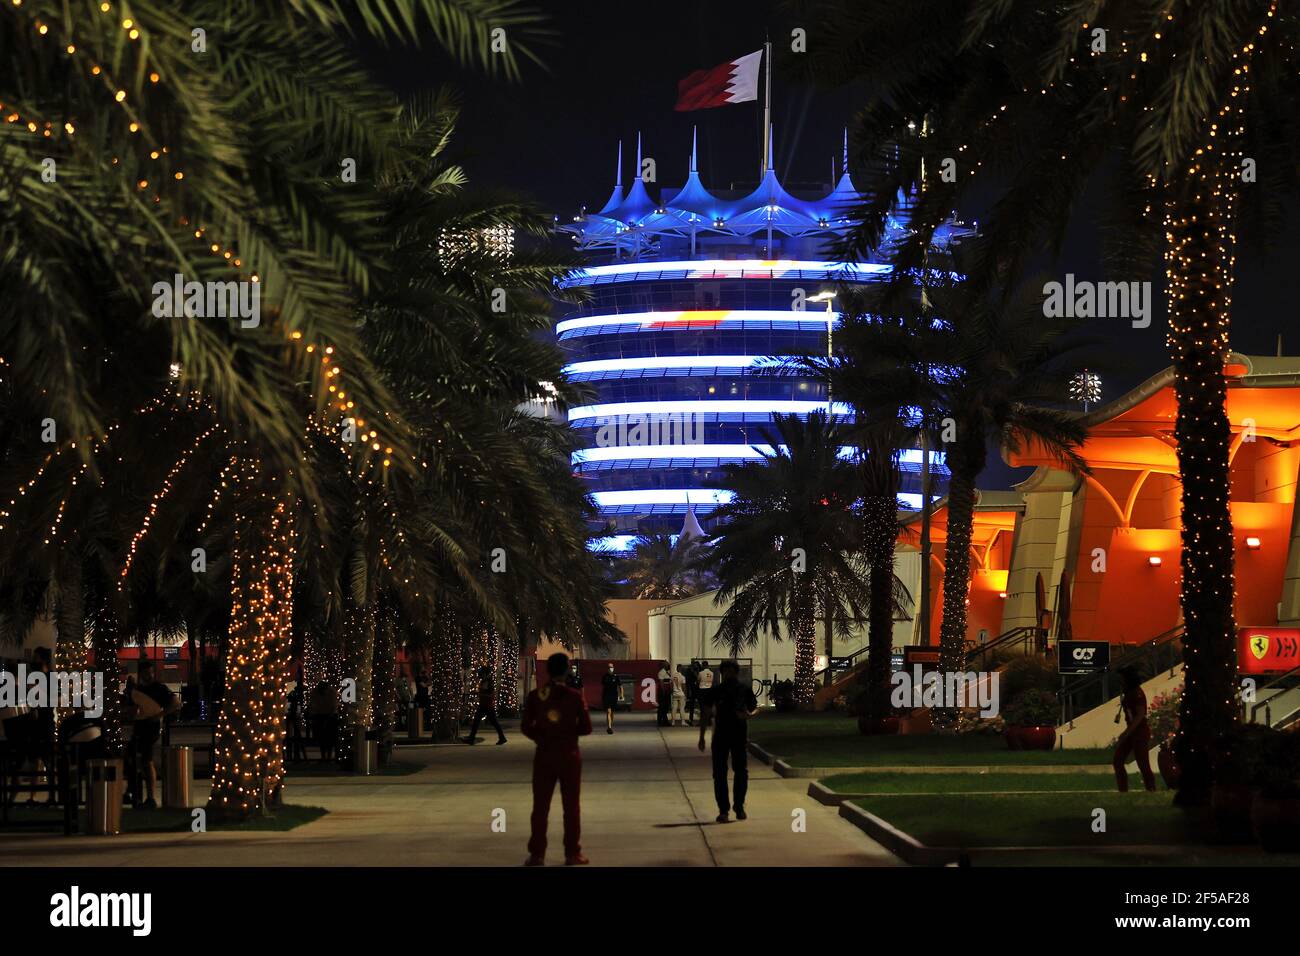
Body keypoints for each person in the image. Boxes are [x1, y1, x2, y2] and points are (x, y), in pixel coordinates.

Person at [521, 653, 592, 866]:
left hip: (544, 755)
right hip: (569, 755)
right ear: (566, 671)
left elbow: (526, 727)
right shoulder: (574, 696)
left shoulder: (536, 696)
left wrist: (543, 738)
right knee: (571, 807)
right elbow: (586, 728)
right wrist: (568, 734)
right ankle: (572, 853)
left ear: (548, 671)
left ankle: (537, 854)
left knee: (540, 807)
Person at [697, 660, 758, 822]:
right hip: (721, 735)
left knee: (741, 772)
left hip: (738, 735)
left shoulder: (744, 689)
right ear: (722, 673)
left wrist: (746, 715)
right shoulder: (717, 691)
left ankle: (739, 806)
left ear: (736, 672)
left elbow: (754, 708)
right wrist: (702, 737)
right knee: (719, 774)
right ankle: (723, 810)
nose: (728, 674)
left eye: (731, 671)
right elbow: (706, 713)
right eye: (726, 671)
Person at [129, 659, 180, 809]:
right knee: (132, 759)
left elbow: (176, 703)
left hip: (151, 727)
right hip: (139, 725)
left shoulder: (160, 688)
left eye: (151, 673)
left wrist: (159, 716)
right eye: (146, 673)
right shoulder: (137, 690)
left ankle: (150, 797)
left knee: (146, 760)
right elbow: (132, 709)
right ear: (141, 674)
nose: (149, 675)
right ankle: (134, 792)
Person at [1113, 666, 1156, 792]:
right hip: (1131, 733)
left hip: (1140, 733)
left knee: (1143, 763)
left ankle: (1151, 789)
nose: (1120, 682)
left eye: (1122, 679)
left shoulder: (1137, 693)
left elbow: (1140, 714)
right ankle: (1123, 790)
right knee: (1118, 760)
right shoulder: (1128, 693)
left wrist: (1127, 732)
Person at [466, 665, 507, 745]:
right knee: (478, 721)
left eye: (482, 673)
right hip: (484, 705)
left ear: (486, 673)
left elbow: (490, 694)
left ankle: (472, 738)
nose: (480, 675)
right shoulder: (484, 681)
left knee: (491, 722)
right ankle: (471, 738)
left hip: (487, 706)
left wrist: (479, 693)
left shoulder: (489, 682)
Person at [307, 681, 339, 763]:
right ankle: (324, 757)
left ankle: (327, 757)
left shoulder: (331, 693)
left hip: (329, 716)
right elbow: (313, 705)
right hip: (321, 715)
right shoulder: (316, 692)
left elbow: (333, 706)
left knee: (329, 738)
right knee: (322, 738)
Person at [286, 682, 307, 763]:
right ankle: (293, 755)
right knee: (293, 736)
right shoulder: (295, 697)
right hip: (293, 719)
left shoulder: (293, 696)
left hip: (293, 719)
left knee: (294, 736)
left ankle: (292, 755)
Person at [600, 663, 620, 735]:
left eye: (612, 667)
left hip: (614, 696)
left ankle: (610, 723)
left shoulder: (616, 676)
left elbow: (620, 686)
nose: (610, 668)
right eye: (609, 667)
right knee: (608, 711)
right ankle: (609, 727)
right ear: (607, 669)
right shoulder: (605, 677)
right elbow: (603, 686)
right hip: (607, 696)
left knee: (612, 712)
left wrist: (621, 694)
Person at [656, 661, 672, 727]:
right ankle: (660, 721)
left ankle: (665, 721)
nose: (669, 665)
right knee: (662, 707)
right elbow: (661, 683)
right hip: (663, 692)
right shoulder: (661, 672)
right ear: (664, 665)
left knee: (665, 707)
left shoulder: (667, 672)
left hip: (667, 691)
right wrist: (663, 692)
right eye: (667, 664)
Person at [684, 662, 700, 726]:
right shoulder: (690, 672)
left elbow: (698, 679)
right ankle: (691, 719)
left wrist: (695, 672)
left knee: (701, 705)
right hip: (693, 690)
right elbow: (688, 681)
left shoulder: (699, 672)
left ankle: (702, 719)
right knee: (691, 706)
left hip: (698, 690)